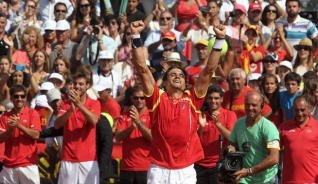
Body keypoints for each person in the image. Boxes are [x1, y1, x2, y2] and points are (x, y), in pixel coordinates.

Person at [130, 20, 224, 183]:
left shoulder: (192, 99)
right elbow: (142, 69)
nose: (177, 77)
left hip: (185, 170)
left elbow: (209, 70)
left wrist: (220, 39)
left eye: (180, 75)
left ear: (185, 82)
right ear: (164, 83)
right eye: (172, 74)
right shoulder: (157, 98)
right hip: (159, 169)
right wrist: (136, 36)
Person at [54, 73, 101, 184]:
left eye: (81, 84)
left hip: (89, 160)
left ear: (87, 86)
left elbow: (94, 120)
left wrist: (78, 104)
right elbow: (57, 125)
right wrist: (70, 110)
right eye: (75, 83)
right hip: (68, 159)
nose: (77, 86)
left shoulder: (94, 103)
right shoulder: (65, 104)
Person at [229, 91, 280, 183]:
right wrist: (231, 149)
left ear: (262, 106)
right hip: (244, 178)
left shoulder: (269, 127)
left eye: (254, 105)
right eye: (247, 105)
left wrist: (250, 171)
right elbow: (233, 144)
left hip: (266, 180)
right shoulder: (239, 123)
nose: (250, 108)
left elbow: (274, 158)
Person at [195, 85, 237, 184]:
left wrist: (218, 124)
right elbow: (195, 141)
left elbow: (232, 138)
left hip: (220, 165)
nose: (213, 101)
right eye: (210, 98)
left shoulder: (230, 114)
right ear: (206, 99)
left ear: (222, 99)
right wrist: (200, 127)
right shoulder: (201, 115)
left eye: (216, 98)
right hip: (199, 164)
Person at [0, 85, 41, 184]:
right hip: (8, 166)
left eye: (22, 96)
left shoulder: (33, 113)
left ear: (26, 98)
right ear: (11, 98)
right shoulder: (5, 117)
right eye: (16, 96)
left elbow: (36, 135)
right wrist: (11, 129)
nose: (19, 99)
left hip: (28, 165)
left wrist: (19, 125)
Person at [115, 85, 152, 184]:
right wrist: (132, 127)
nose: (139, 100)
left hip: (146, 167)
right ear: (131, 98)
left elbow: (153, 138)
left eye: (142, 98)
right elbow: (117, 137)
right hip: (126, 167)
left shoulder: (151, 115)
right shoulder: (125, 114)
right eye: (136, 98)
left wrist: (138, 122)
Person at [279, 96, 318, 183]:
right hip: (289, 180)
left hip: (312, 181)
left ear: (309, 109)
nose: (299, 113)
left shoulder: (317, 127)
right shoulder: (284, 127)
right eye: (296, 110)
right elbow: (274, 150)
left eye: (302, 110)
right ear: (293, 110)